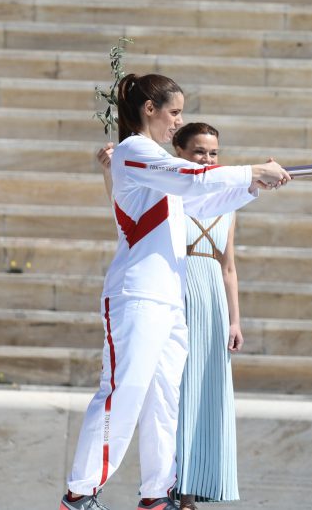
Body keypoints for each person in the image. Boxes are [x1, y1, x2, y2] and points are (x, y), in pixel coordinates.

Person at [60, 73, 291, 510]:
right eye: (175, 112)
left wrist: (252, 187)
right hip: (136, 295)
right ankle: (81, 493)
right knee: (123, 392)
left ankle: (155, 495)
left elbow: (199, 204)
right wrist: (252, 170)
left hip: (170, 299)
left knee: (165, 399)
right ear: (150, 110)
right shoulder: (134, 151)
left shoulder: (157, 165)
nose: (178, 122)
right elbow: (193, 181)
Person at [99, 123, 245, 510]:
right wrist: (108, 173)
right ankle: (170, 488)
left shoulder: (225, 200)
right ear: (177, 153)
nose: (208, 159)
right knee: (171, 393)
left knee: (204, 391)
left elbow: (228, 266)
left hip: (211, 298)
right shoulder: (169, 190)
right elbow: (126, 217)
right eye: (199, 152)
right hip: (174, 289)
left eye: (213, 153)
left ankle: (194, 489)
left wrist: (234, 319)